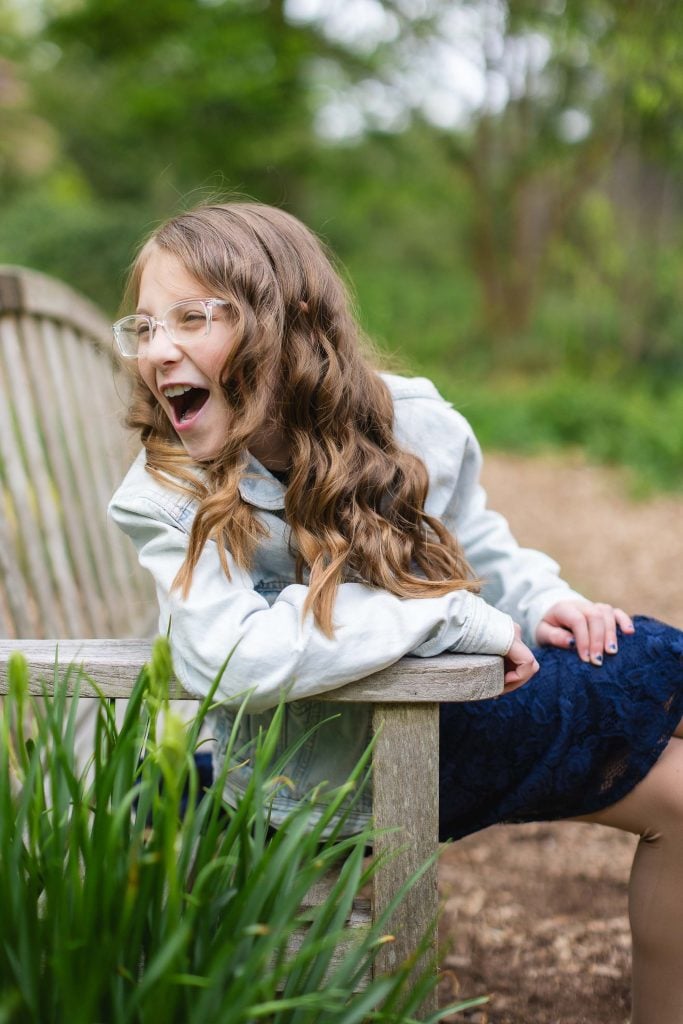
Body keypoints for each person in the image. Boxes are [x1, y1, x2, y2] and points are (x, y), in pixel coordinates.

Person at [109, 201, 683, 1024]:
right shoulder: (166, 494)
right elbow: (233, 657)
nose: (158, 349)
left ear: (290, 321)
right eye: (145, 326)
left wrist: (545, 597)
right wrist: (445, 617)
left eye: (193, 318)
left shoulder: (408, 419)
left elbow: (476, 537)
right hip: (289, 775)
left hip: (432, 732)